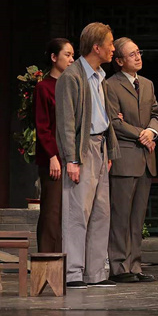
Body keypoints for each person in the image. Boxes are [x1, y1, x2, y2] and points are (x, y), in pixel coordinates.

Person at [55, 22, 119, 289]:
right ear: (96, 47)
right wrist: (71, 159)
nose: (113, 48)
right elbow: (66, 122)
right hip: (82, 149)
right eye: (110, 44)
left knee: (101, 212)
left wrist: (109, 150)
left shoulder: (100, 76)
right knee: (77, 212)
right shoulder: (72, 77)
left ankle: (95, 273)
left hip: (100, 147)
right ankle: (73, 273)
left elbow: (104, 116)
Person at [105, 37, 158, 283]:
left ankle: (135, 265)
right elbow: (113, 122)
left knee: (137, 218)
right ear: (119, 61)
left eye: (138, 52)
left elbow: (156, 115)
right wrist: (142, 134)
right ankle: (119, 267)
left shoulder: (147, 84)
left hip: (146, 158)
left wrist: (152, 132)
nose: (138, 57)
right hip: (124, 158)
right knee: (120, 217)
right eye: (132, 54)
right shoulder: (110, 85)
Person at [33, 38, 74, 253]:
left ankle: (68, 260)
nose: (71, 59)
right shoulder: (44, 87)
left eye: (73, 55)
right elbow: (43, 126)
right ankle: (47, 260)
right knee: (52, 211)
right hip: (53, 158)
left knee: (70, 212)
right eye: (67, 55)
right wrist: (52, 156)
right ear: (53, 57)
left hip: (71, 157)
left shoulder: (72, 86)